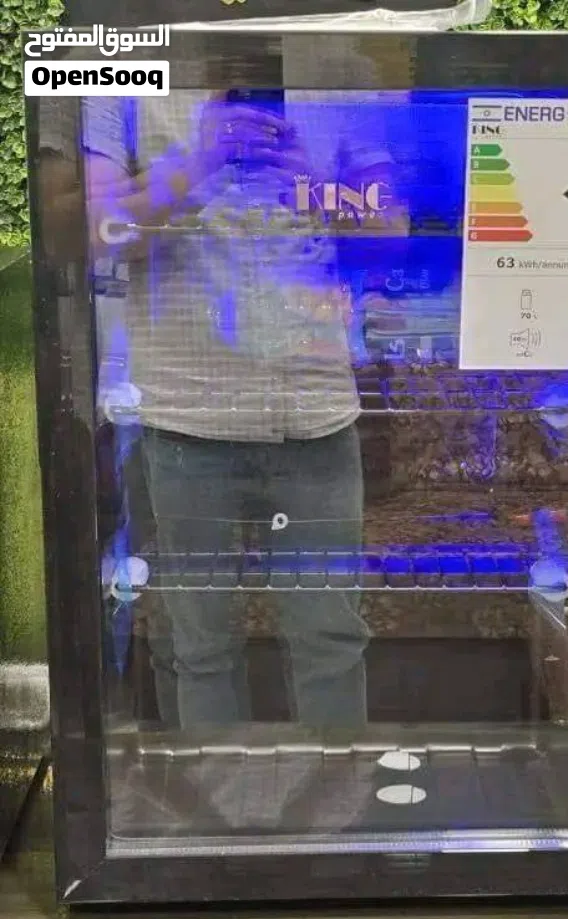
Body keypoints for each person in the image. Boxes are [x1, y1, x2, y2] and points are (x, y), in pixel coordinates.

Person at [39, 77, 407, 733]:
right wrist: (200, 163)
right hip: (186, 414)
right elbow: (92, 235)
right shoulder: (127, 84)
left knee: (330, 641)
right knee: (199, 647)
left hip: (314, 410)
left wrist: (313, 186)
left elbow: (393, 231)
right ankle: (214, 798)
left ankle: (332, 799)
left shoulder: (332, 68)